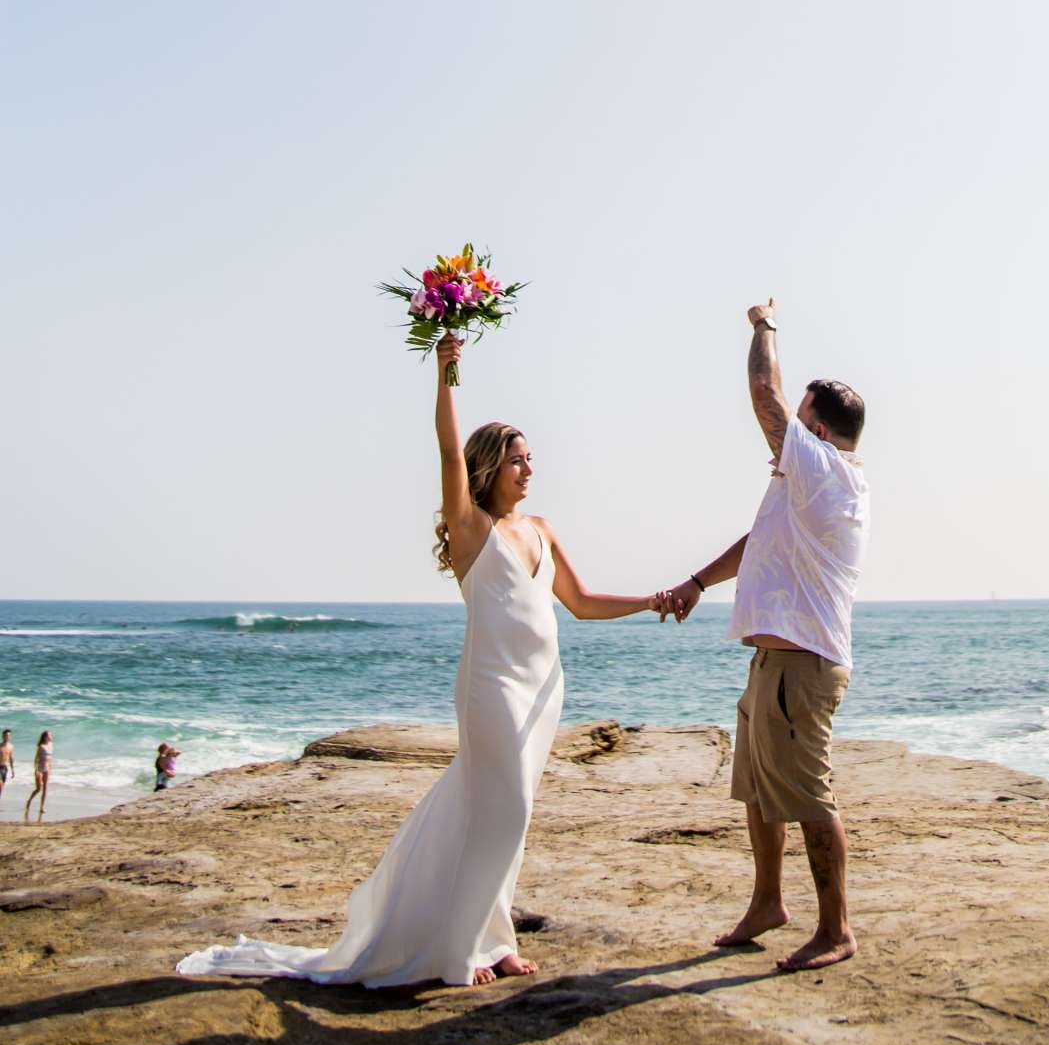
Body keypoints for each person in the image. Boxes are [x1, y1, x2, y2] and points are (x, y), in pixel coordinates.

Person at [179, 334, 659, 988]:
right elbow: (444, 449)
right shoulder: (471, 531)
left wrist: (653, 600)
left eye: (530, 459)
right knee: (507, 808)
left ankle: (496, 938)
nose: (528, 469)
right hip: (492, 688)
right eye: (518, 460)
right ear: (490, 468)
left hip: (545, 691)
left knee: (502, 818)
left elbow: (581, 602)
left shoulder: (541, 530)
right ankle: (456, 949)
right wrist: (447, 371)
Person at [659, 300, 869, 972]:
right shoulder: (801, 488)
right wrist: (697, 581)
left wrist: (762, 325)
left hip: (803, 666)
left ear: (816, 429)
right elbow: (758, 545)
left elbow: (762, 393)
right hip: (773, 661)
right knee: (758, 789)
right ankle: (768, 905)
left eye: (800, 421)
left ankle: (835, 930)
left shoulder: (826, 473)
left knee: (809, 796)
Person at [24, 731, 51, 822]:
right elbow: (36, 759)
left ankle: (42, 807)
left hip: (47, 769)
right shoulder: (41, 747)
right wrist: (36, 771)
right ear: (45, 737)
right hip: (40, 769)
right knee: (39, 788)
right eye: (49, 735)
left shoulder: (50, 745)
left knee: (46, 788)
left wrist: (50, 768)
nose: (51, 736)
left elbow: (50, 759)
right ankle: (29, 801)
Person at [0, 729, 14, 802]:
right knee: (0, 783)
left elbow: (11, 759)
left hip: (5, 768)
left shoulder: (11, 746)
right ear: (3, 736)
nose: (7, 737)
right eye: (6, 735)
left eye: (8, 736)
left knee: (1, 786)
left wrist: (12, 770)